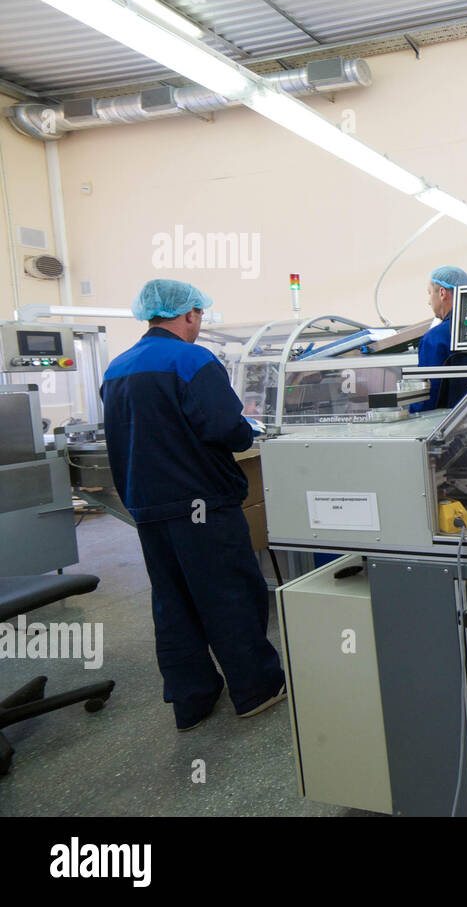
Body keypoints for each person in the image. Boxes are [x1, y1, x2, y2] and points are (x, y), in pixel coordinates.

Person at [101, 279, 285, 731]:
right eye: (199, 315)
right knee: (230, 596)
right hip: (202, 506)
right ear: (189, 315)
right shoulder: (192, 360)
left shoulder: (116, 368)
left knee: (173, 602)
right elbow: (227, 427)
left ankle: (192, 699)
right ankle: (255, 690)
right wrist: (249, 432)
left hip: (147, 508)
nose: (199, 324)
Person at [410, 265, 467, 412]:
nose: (428, 301)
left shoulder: (435, 338)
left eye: (429, 293)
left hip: (450, 426)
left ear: (442, 293)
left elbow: (429, 393)